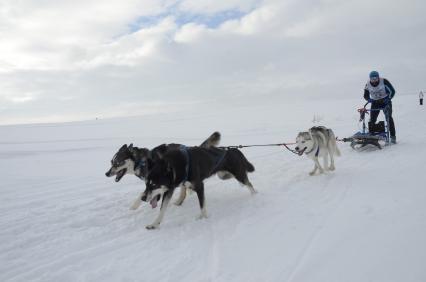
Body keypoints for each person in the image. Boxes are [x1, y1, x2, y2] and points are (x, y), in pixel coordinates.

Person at [363, 71, 397, 144]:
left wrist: (388, 98)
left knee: (389, 118)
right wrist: (369, 99)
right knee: (372, 119)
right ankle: (371, 134)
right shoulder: (367, 84)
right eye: (372, 79)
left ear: (378, 77)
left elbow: (392, 91)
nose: (374, 80)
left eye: (375, 78)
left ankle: (393, 137)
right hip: (375, 102)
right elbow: (365, 95)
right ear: (370, 79)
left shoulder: (384, 81)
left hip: (385, 102)